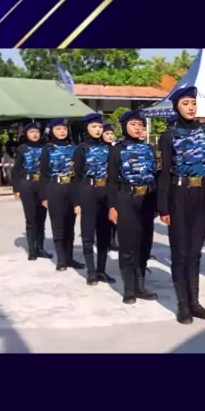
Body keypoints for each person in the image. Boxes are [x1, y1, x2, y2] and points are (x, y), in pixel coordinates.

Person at [157, 86, 205, 324]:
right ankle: (182, 305)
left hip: (201, 194)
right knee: (180, 253)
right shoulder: (169, 136)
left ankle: (195, 303)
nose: (191, 107)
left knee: (195, 253)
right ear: (176, 107)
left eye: (193, 103)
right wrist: (163, 207)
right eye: (185, 103)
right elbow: (164, 173)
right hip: (178, 194)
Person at [108, 110, 158, 304]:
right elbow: (112, 180)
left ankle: (140, 286)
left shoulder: (150, 148)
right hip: (126, 199)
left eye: (140, 125)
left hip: (147, 201)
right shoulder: (117, 150)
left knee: (144, 244)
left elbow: (156, 176)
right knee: (128, 246)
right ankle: (129, 289)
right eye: (133, 124)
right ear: (124, 127)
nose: (137, 128)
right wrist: (112, 206)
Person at [72, 113, 115, 286]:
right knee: (88, 233)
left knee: (104, 234)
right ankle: (91, 272)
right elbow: (75, 177)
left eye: (100, 127)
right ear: (87, 128)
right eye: (94, 127)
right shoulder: (81, 149)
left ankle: (101, 270)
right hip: (87, 191)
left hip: (105, 191)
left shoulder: (109, 149)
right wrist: (76, 202)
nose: (97, 130)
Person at [40, 118, 85, 272]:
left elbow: (79, 172)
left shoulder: (75, 148)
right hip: (55, 188)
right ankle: (61, 259)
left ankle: (70, 258)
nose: (61, 132)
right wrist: (44, 196)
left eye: (64, 129)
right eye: (58, 129)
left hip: (72, 187)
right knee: (58, 225)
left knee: (70, 225)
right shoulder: (47, 149)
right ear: (52, 131)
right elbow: (43, 174)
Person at [12, 122, 52, 261]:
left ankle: (40, 248)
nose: (35, 134)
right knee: (31, 218)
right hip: (27, 185)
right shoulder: (22, 149)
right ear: (26, 134)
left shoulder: (46, 148)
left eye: (37, 132)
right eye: (31, 132)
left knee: (42, 218)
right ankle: (32, 250)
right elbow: (16, 170)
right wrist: (16, 188)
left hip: (43, 185)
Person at [102, 124, 119, 250]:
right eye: (107, 134)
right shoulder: (100, 149)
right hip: (102, 185)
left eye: (111, 134)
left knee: (114, 214)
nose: (110, 136)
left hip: (114, 185)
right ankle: (104, 241)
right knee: (103, 215)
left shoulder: (116, 149)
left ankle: (113, 241)